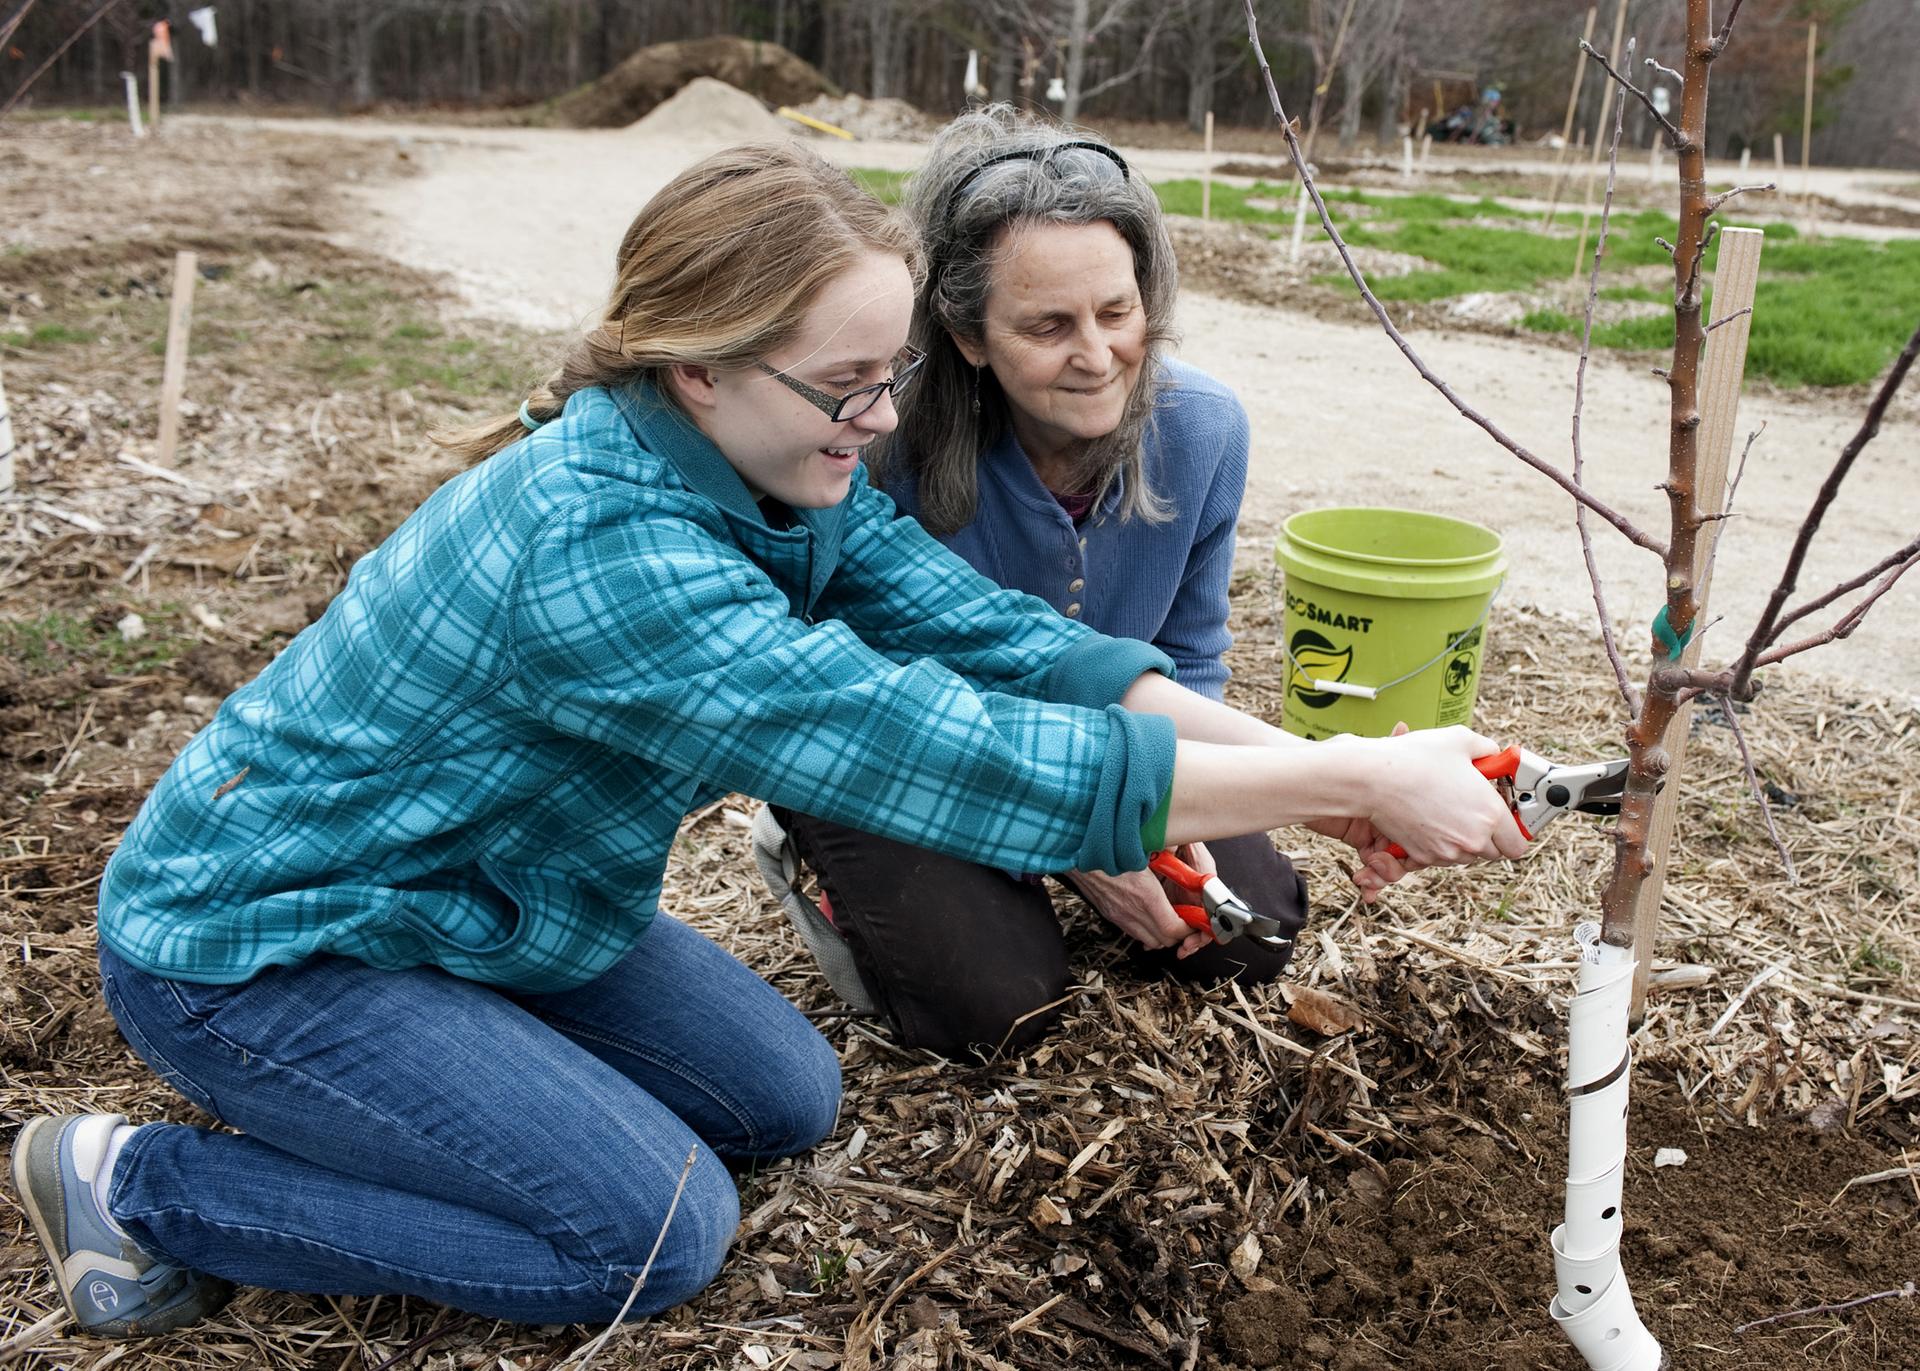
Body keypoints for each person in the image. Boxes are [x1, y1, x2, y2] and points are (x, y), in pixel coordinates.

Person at [11, 141, 1523, 1342]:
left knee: (782, 1101)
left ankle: (456, 1074)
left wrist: (1322, 782)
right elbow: (951, 749)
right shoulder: (606, 552)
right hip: (277, 934)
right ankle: (137, 1186)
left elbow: (1013, 645)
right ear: (698, 366)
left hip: (508, 891)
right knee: (649, 1232)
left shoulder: (779, 468)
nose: (882, 417)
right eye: (850, 384)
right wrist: (1350, 773)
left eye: (887, 375)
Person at [755, 108, 1298, 1059]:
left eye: (1118, 312)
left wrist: (1150, 810)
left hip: (1101, 741)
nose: (1096, 356)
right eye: (1048, 325)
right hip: (912, 755)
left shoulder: (1205, 429)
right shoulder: (882, 449)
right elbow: (872, 697)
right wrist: (1085, 837)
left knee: (1257, 929)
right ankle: (822, 858)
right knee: (998, 1011)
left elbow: (1189, 652)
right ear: (967, 334)